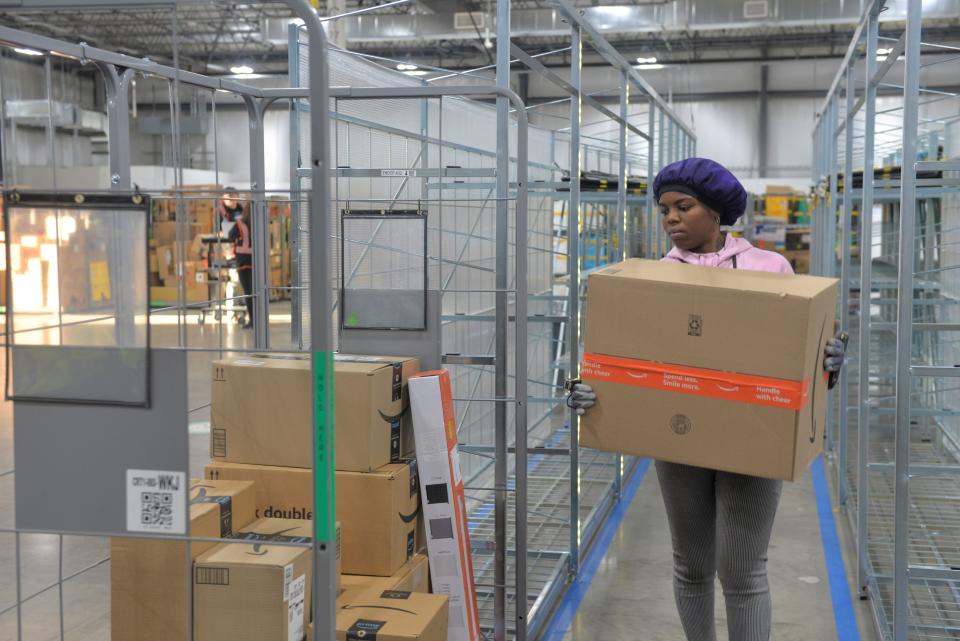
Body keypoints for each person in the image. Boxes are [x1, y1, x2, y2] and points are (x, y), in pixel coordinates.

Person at [568, 157, 846, 641]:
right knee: (690, 565)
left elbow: (794, 358)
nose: (671, 218)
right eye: (664, 210)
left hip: (752, 439)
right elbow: (628, 360)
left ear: (715, 211)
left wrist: (829, 363)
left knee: (742, 572)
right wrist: (591, 392)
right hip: (681, 441)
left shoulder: (770, 270)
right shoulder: (652, 280)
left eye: (684, 206)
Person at [228, 199, 254, 330]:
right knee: (256, 290)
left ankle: (252, 321)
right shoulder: (257, 224)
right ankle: (258, 319)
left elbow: (230, 236)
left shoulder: (240, 223)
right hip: (255, 261)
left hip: (243, 261)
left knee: (248, 291)